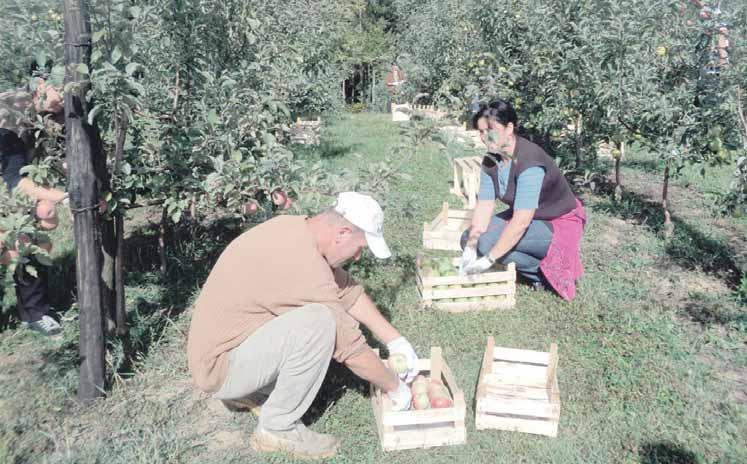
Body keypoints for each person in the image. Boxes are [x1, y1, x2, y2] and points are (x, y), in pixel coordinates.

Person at [187, 192, 418, 459]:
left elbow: (347, 292)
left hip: (226, 351)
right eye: (360, 247)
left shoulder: (297, 230)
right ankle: (277, 427)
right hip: (220, 370)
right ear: (342, 233)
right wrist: (396, 387)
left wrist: (395, 340)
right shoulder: (300, 263)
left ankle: (252, 390)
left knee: (320, 316)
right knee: (320, 322)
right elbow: (350, 348)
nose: (357, 257)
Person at [459, 100, 586, 300]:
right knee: (468, 239)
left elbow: (521, 222)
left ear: (509, 128)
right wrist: (470, 248)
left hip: (557, 222)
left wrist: (488, 260)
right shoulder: (491, 160)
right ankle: (529, 269)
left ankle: (542, 274)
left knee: (488, 243)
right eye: (481, 131)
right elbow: (484, 206)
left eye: (490, 129)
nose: (485, 137)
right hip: (530, 217)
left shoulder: (529, 161)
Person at [0, 77, 67, 336]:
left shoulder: (50, 110)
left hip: (10, 185)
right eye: (58, 90)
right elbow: (15, 182)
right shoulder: (10, 114)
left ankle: (35, 314)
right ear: (40, 84)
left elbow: (61, 157)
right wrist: (64, 197)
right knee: (18, 243)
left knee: (36, 237)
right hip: (9, 185)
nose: (61, 99)